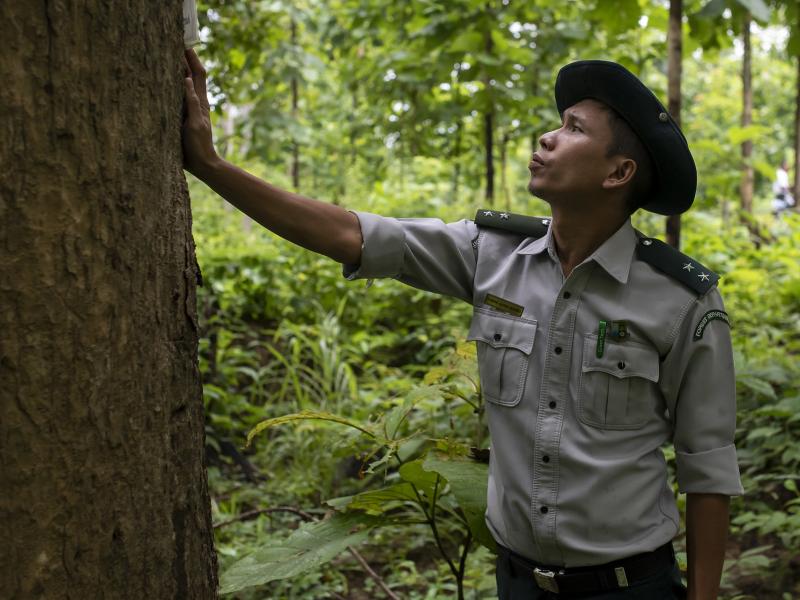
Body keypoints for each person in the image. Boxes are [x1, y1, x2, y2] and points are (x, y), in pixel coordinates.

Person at [182, 51, 742, 600]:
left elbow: (707, 468)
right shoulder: (492, 255)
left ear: (619, 172)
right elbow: (354, 236)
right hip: (518, 583)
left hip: (629, 587)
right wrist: (212, 166)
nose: (547, 137)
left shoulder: (681, 300)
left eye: (573, 129)